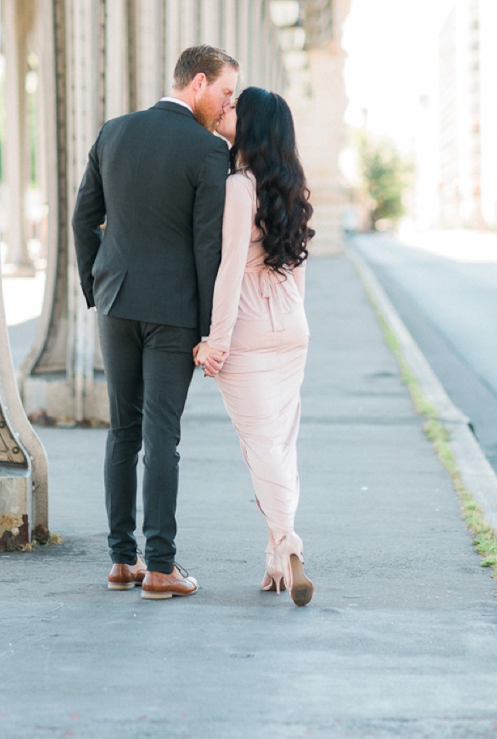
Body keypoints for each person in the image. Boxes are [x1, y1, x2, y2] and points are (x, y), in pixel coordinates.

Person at [73, 45, 239, 599]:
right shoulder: (209, 151)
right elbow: (206, 246)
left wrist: (95, 286)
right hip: (173, 314)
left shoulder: (114, 132)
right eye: (224, 92)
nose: (226, 105)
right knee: (161, 437)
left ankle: (123, 561)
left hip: (116, 302)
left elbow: (82, 217)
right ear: (197, 83)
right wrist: (212, 327)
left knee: (123, 430)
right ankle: (162, 566)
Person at [194, 86, 315, 606]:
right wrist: (297, 320)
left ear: (254, 125)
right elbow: (299, 267)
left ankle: (290, 545)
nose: (228, 110)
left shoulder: (239, 187)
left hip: (248, 328)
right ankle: (275, 558)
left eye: (237, 106)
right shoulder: (291, 183)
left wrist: (215, 341)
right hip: (291, 326)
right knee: (278, 443)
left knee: (260, 443)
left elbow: (228, 270)